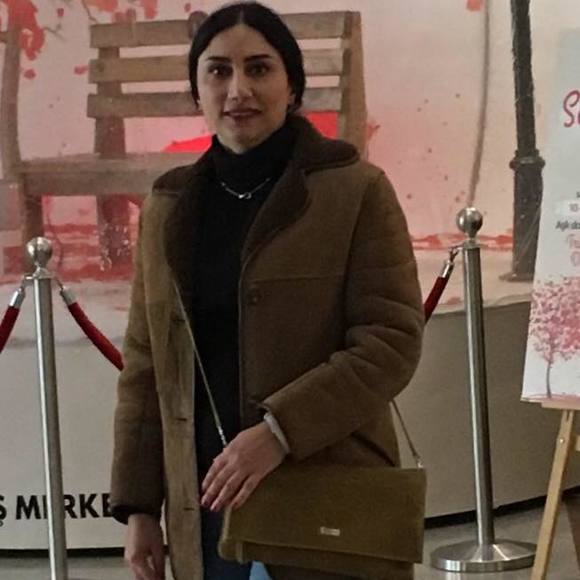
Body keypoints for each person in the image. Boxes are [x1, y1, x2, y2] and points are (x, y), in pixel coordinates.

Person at [110, 2, 425, 579]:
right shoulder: (168, 208)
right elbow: (147, 365)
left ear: (292, 86)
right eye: (218, 71)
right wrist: (139, 507)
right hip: (206, 502)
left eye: (259, 68)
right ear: (197, 91)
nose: (238, 90)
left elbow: (390, 342)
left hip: (325, 490)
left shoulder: (355, 191)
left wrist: (280, 432)